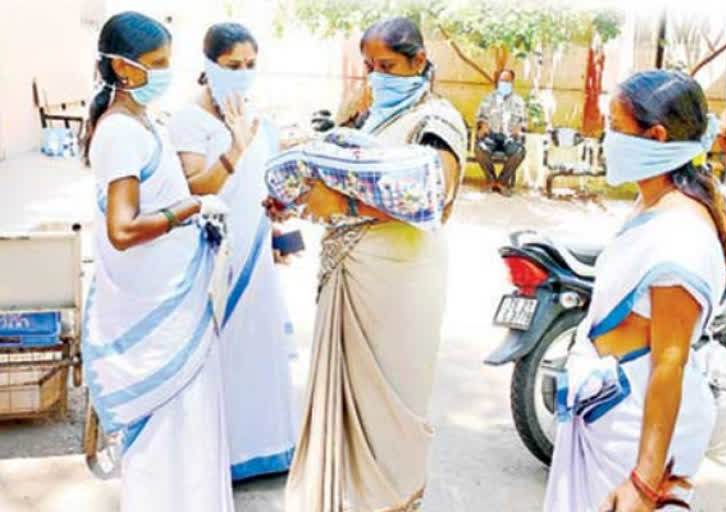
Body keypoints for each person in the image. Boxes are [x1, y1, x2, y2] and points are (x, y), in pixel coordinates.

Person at [268, 17, 467, 512]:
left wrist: (340, 206)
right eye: (369, 66)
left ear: (419, 62)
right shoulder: (369, 115)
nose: (376, 76)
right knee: (343, 403)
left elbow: (433, 198)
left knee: (389, 412)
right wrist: (296, 198)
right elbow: (331, 171)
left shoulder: (438, 120)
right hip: (350, 272)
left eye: (387, 66)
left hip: (401, 279)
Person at [544, 70, 726, 511]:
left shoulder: (681, 236)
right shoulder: (651, 202)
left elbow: (669, 362)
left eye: (615, 127)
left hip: (634, 429)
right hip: (610, 410)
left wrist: (644, 483)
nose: (606, 137)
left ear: (657, 136)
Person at [81, 11, 234, 512]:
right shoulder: (121, 132)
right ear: (124, 70)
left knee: (189, 425)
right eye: (157, 64)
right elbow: (123, 230)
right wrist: (187, 209)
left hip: (173, 296)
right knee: (169, 430)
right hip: (155, 311)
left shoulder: (142, 121)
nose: (167, 72)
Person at [167, 22, 298, 481]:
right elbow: (193, 189)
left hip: (257, 250)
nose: (243, 74)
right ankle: (221, 456)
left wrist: (281, 232)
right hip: (215, 253)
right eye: (233, 66)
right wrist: (234, 151)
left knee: (259, 348)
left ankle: (269, 447)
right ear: (209, 66)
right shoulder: (188, 118)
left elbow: (265, 181)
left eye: (250, 65)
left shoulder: (254, 112)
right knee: (223, 351)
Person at [474, 69, 527, 195]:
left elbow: (524, 121)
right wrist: (483, 125)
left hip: (509, 136)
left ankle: (502, 182)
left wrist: (519, 128)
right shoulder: (488, 99)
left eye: (507, 81)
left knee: (519, 152)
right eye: (502, 81)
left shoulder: (518, 101)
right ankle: (491, 180)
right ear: (498, 82)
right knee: (480, 149)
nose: (504, 83)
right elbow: (480, 116)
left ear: (512, 82)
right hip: (491, 135)